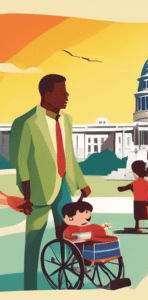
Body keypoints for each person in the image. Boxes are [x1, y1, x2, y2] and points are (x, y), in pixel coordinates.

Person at [9, 74, 91, 291]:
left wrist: (82, 183)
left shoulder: (67, 120)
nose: (67, 96)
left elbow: (69, 155)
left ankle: (67, 281)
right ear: (47, 95)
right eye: (62, 92)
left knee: (68, 235)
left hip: (63, 185)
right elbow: (21, 162)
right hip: (37, 190)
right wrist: (26, 195)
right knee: (33, 241)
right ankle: (30, 287)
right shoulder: (25, 122)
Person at [117, 160, 148, 233]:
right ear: (143, 170)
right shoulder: (147, 183)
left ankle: (137, 227)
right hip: (145, 202)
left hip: (137, 202)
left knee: (137, 216)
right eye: (146, 168)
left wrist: (119, 188)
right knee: (146, 215)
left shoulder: (134, 183)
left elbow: (123, 188)